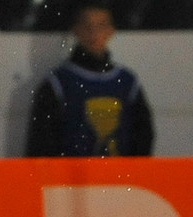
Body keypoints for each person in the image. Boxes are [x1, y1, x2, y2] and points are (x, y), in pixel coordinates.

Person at [25, 1, 154, 157]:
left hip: (117, 178)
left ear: (111, 30)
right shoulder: (57, 83)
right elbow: (41, 146)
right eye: (87, 26)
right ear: (76, 29)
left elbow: (143, 137)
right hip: (70, 179)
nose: (94, 33)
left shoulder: (128, 82)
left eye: (101, 26)